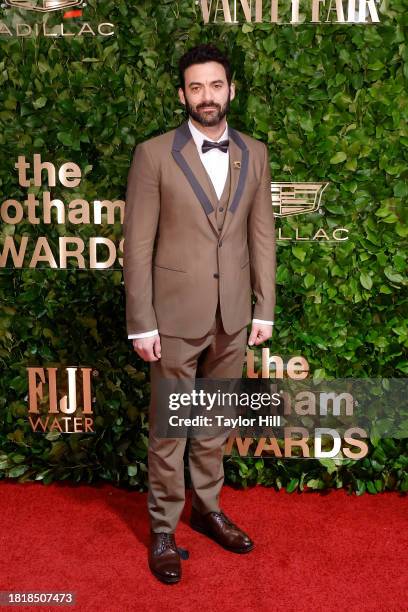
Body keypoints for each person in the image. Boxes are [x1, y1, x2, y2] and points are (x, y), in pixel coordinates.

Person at [123, 43, 276, 584]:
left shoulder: (254, 152)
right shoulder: (153, 154)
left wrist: (265, 309)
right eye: (195, 87)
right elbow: (136, 245)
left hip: (234, 315)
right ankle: (163, 527)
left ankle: (207, 508)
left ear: (230, 89)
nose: (206, 97)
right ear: (181, 95)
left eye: (215, 86)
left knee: (213, 423)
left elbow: (262, 234)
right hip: (173, 318)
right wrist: (141, 320)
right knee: (171, 429)